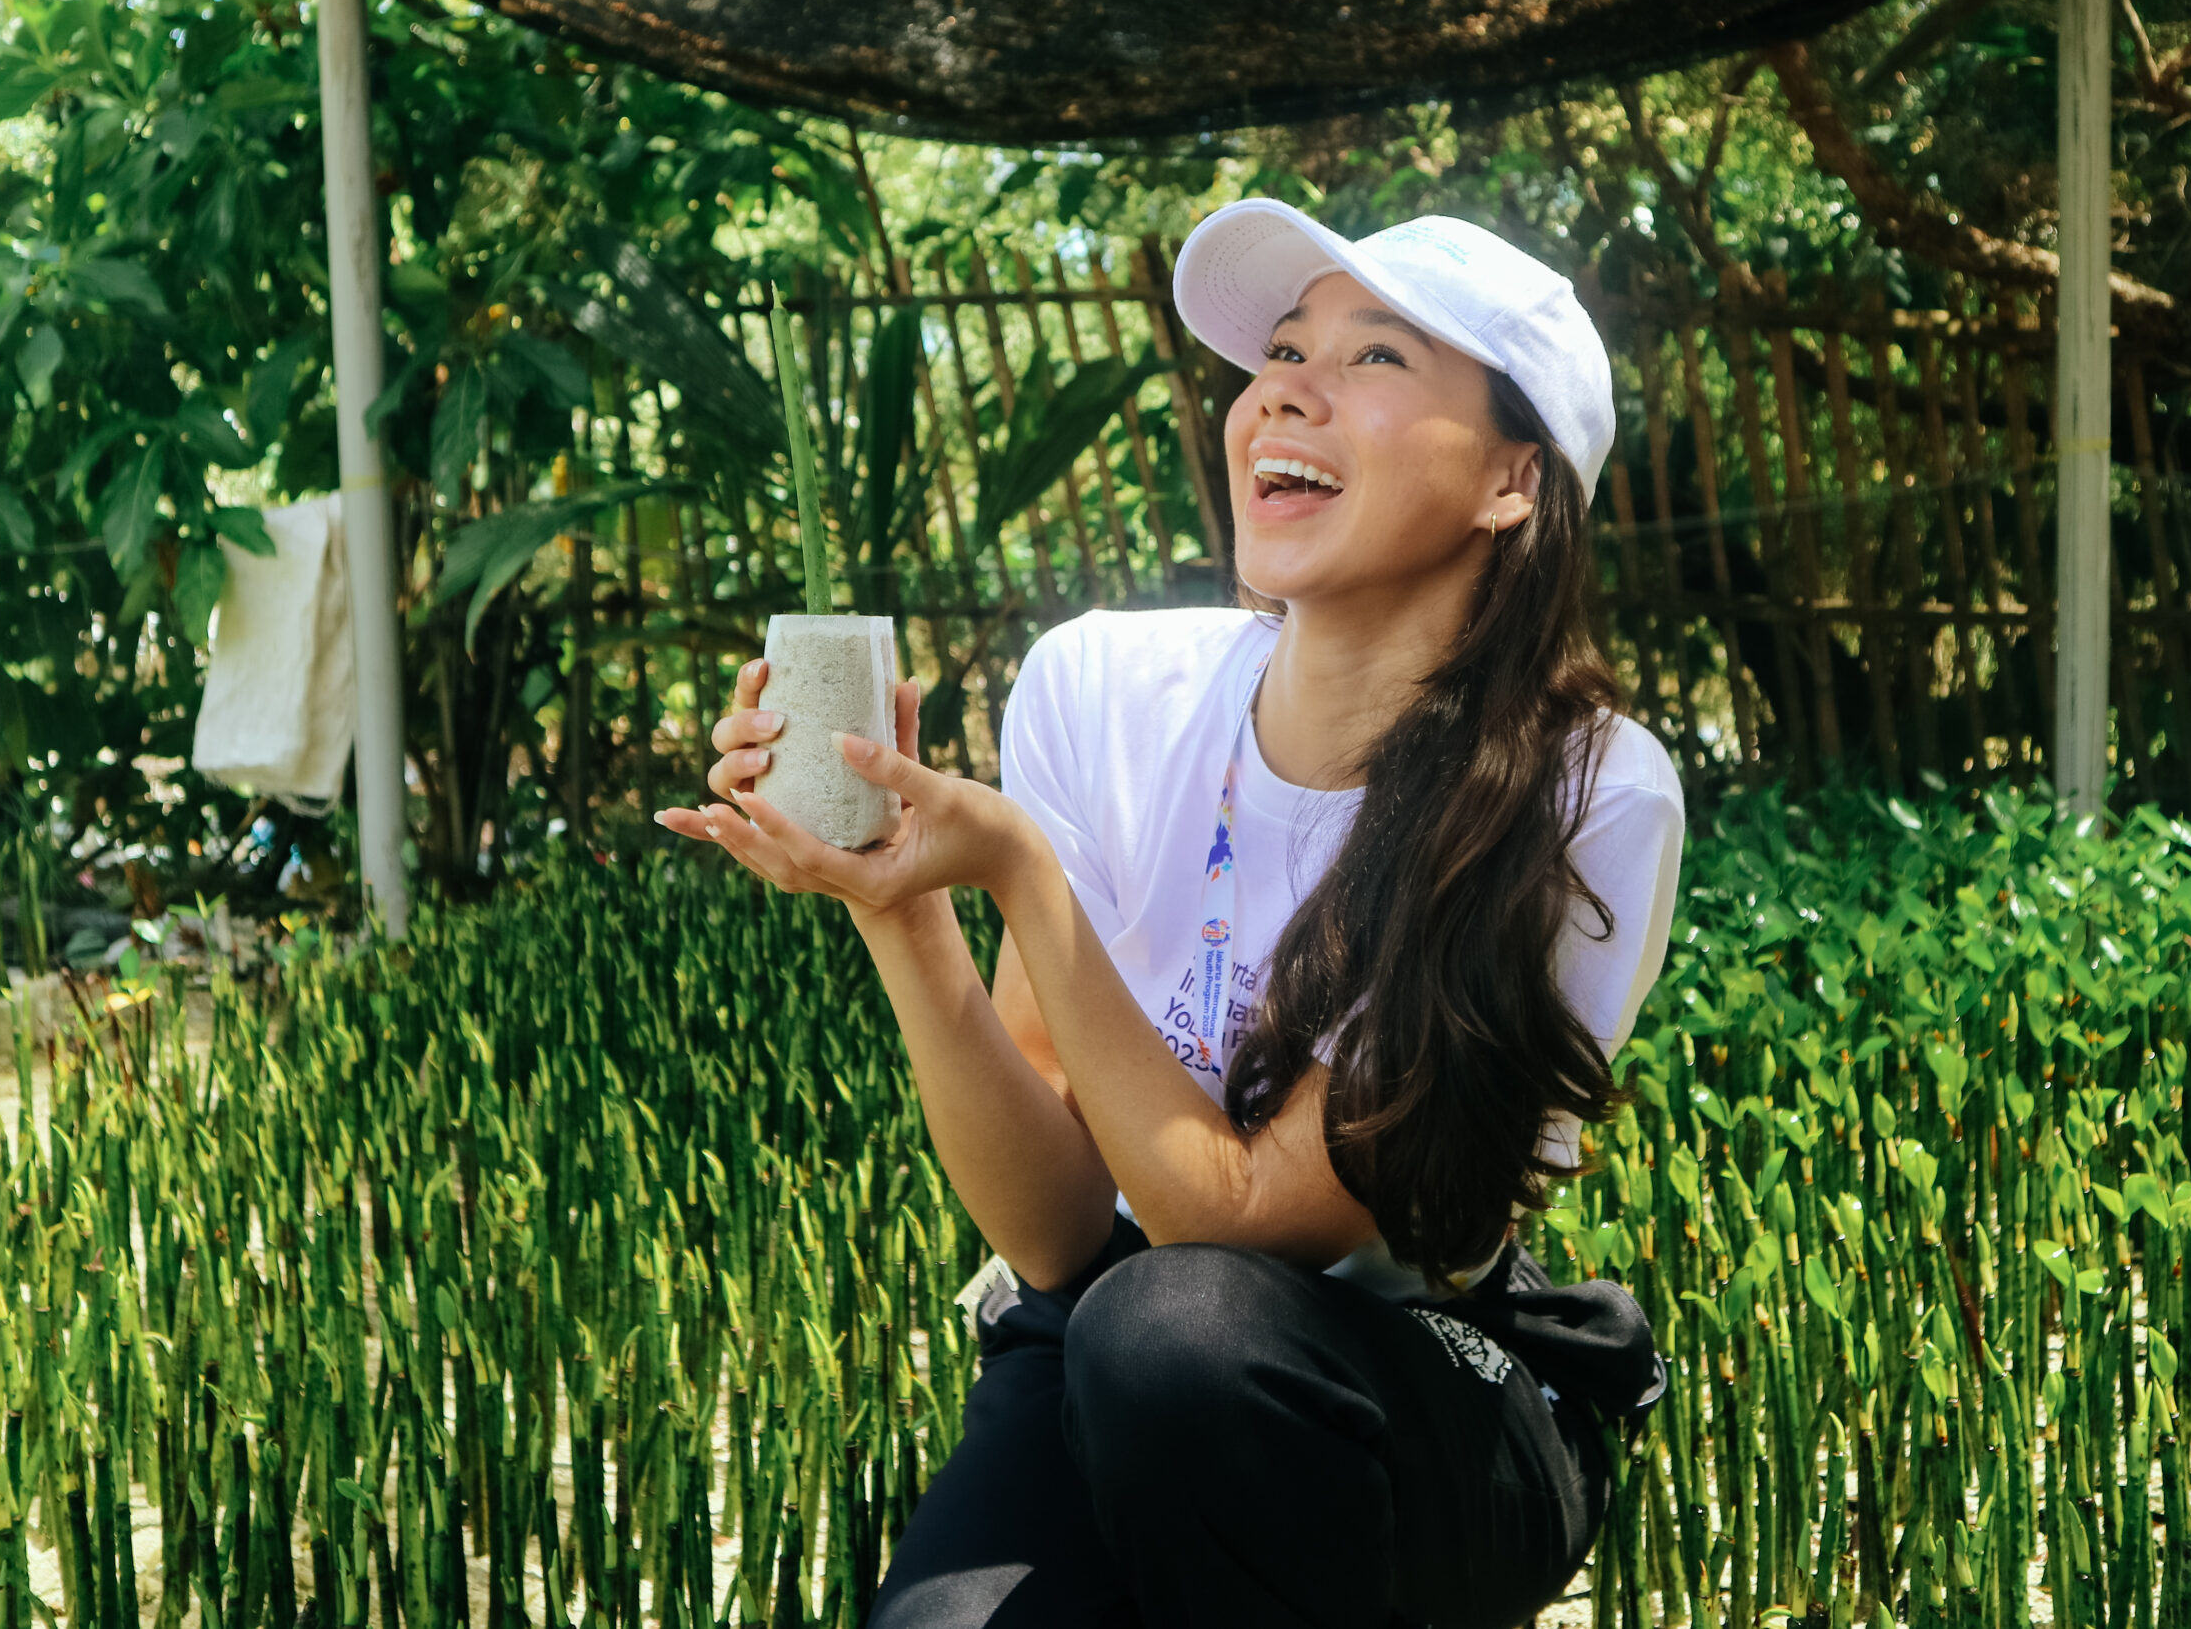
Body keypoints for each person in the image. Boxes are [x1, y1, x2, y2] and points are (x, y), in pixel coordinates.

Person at [658, 200, 1686, 1629]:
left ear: (1514, 477)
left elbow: (1250, 1219)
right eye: (1279, 350)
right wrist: (901, 905)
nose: (1283, 388)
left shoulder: (1582, 794)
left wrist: (1021, 867)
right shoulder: (1101, 690)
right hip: (1124, 1340)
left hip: (1424, 1377)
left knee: (1176, 1329)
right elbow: (1066, 1236)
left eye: (1375, 356)